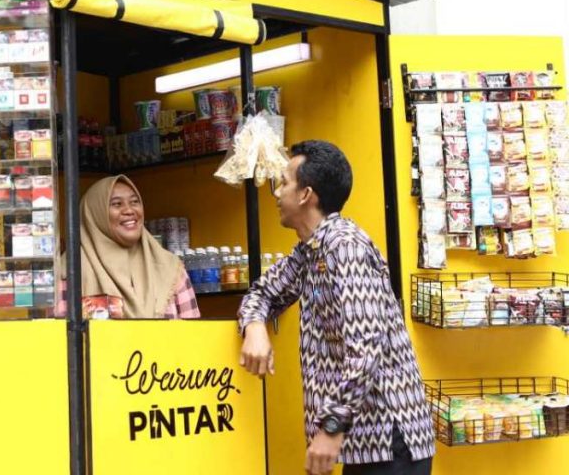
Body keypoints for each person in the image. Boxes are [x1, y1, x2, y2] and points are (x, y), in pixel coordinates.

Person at [237, 140, 434, 475]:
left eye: (284, 182)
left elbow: (365, 349)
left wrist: (330, 428)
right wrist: (254, 327)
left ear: (305, 195)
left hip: (390, 439)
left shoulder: (345, 248)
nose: (276, 193)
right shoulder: (309, 251)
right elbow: (262, 292)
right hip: (361, 445)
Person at [55, 175, 200, 319]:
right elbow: (57, 337)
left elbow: (194, 335)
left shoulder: (170, 267)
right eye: (117, 204)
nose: (129, 210)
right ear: (95, 214)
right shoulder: (69, 272)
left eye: (134, 202)